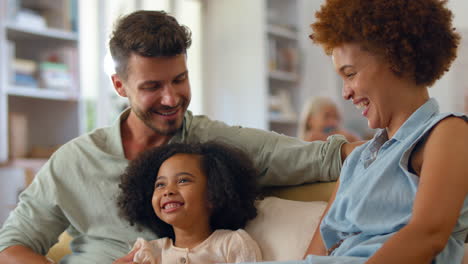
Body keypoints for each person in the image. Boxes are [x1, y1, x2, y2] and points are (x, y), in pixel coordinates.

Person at [0, 10, 360, 264]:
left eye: (179, 79)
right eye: (152, 86)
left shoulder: (213, 145)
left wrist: (405, 143)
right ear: (119, 85)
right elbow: (10, 247)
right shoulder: (74, 160)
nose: (172, 99)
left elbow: (323, 158)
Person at [240, 0, 468, 264]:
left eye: (350, 74)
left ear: (396, 59)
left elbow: (427, 236)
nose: (345, 92)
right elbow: (315, 253)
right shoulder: (359, 159)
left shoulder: (447, 132)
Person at [117, 141, 262, 263]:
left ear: (214, 191)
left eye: (183, 180)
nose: (168, 191)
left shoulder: (232, 244)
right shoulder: (150, 253)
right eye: (160, 184)